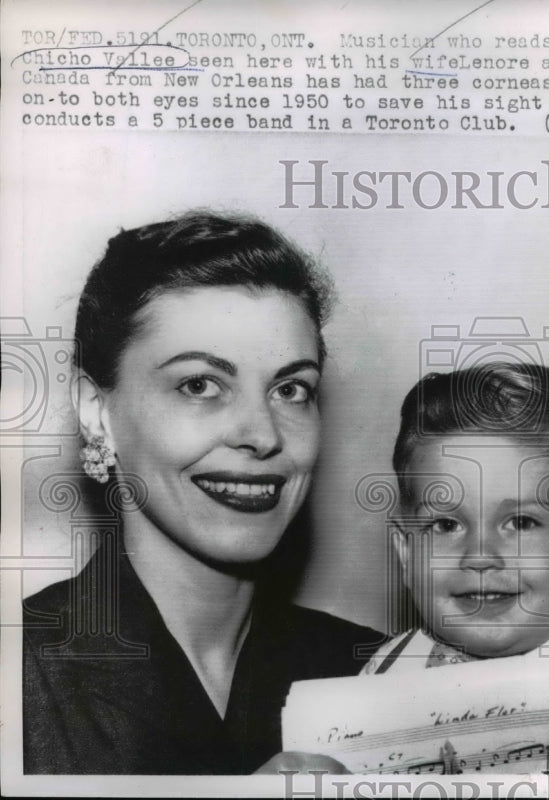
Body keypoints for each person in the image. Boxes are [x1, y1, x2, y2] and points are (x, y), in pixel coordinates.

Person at [22, 212, 378, 774]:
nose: (262, 435)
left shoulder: (374, 672)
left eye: (291, 389)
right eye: (200, 385)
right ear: (96, 411)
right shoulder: (19, 679)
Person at [365, 362, 549, 672]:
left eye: (521, 523)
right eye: (446, 525)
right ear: (407, 552)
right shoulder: (385, 672)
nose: (479, 556)